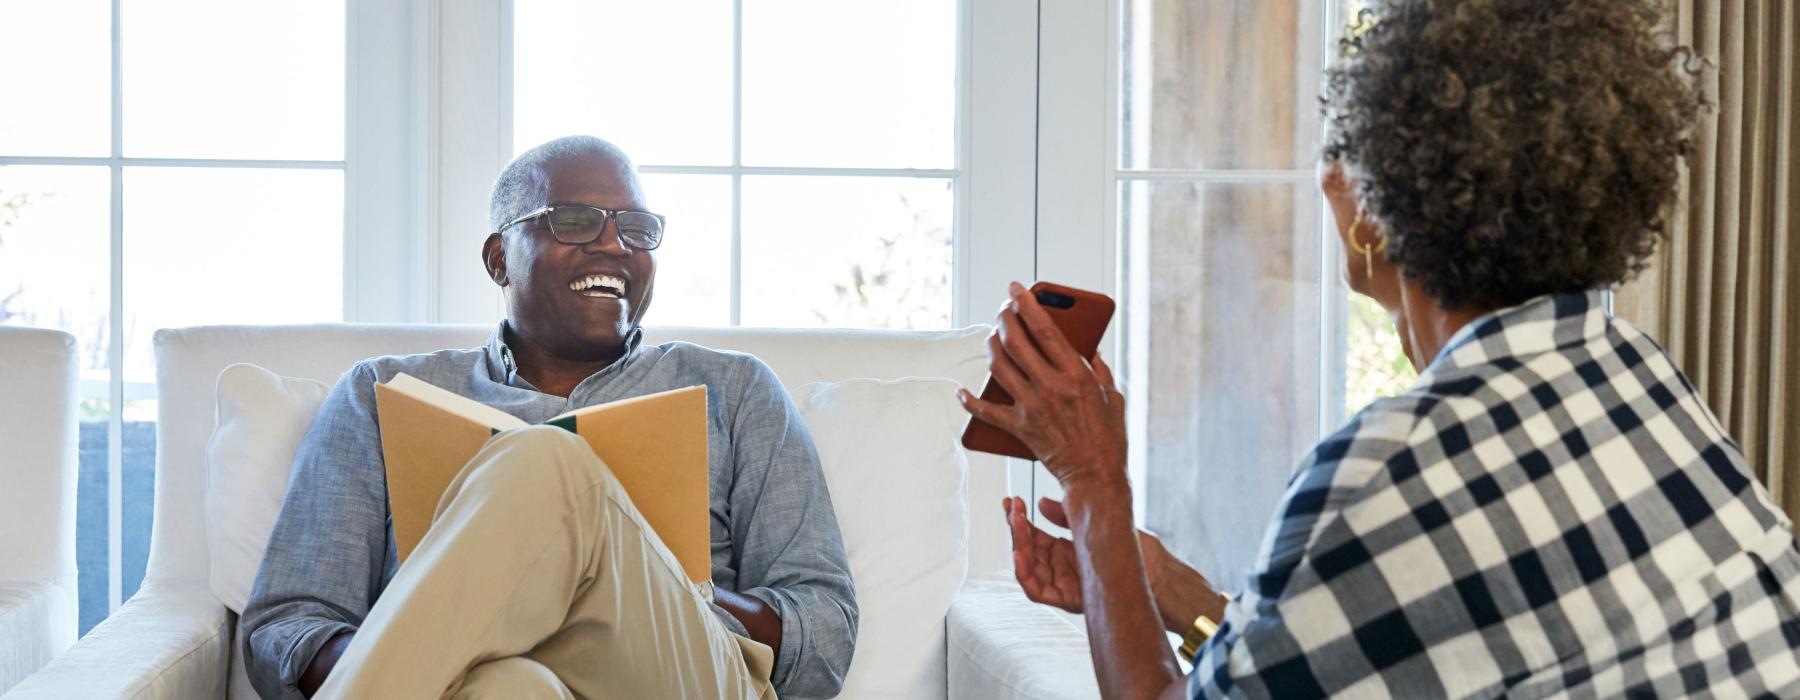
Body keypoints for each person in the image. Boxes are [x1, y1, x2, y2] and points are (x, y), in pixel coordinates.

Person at [958, 0, 1800, 697]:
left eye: (1342, 155)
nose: (1328, 173)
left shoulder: (1390, 469)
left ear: (1369, 210)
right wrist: (1175, 597)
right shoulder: (1638, 378)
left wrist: (1095, 483)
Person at [241, 136, 857, 700]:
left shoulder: (735, 389)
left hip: (684, 676)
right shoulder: (380, 393)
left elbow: (824, 631)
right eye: (575, 221)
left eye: (636, 229)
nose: (615, 245)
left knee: (547, 461)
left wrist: (640, 571)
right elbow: (289, 628)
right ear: (498, 258)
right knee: (508, 686)